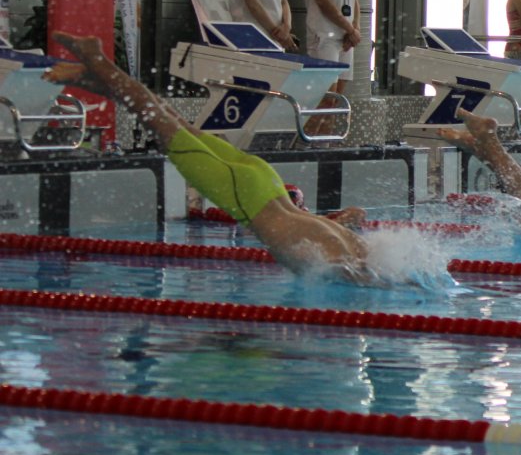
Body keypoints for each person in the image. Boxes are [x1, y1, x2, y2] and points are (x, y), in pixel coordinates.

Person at [44, 32, 370, 279]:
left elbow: (346, 220)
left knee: (167, 117)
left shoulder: (348, 245)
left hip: (266, 182)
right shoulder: (349, 263)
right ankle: (97, 61)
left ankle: (85, 77)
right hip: (246, 193)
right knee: (158, 119)